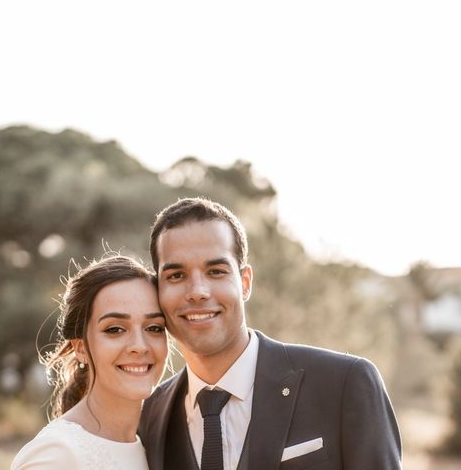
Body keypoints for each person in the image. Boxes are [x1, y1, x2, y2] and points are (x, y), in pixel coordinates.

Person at [139, 197, 402, 470]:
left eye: (215, 271)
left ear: (245, 283)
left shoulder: (345, 384)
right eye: (176, 276)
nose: (197, 291)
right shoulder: (148, 415)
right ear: (157, 290)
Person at [11, 255, 168, 470]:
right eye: (115, 329)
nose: (140, 346)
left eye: (154, 328)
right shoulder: (55, 456)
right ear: (81, 347)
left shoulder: (154, 447)